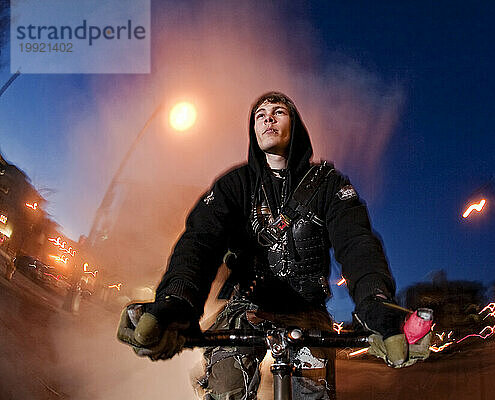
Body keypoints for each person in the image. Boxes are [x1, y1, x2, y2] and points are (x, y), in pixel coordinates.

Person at [118, 92, 428, 399]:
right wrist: (179, 298)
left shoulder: (329, 183)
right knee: (226, 386)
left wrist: (374, 300)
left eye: (279, 111)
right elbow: (200, 241)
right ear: (253, 130)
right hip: (248, 305)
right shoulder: (235, 184)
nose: (268, 117)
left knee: (313, 394)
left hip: (307, 309)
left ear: (295, 125)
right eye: (259, 114)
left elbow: (357, 242)